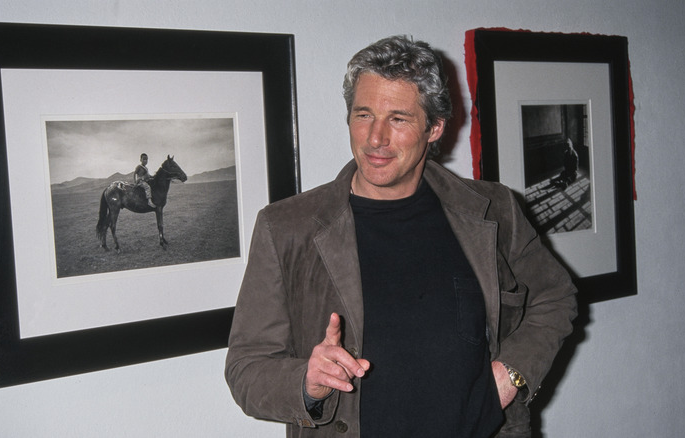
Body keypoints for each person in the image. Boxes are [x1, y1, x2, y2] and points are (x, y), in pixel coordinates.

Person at [225, 35, 577, 438]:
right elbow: (246, 368)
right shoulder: (286, 227)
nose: (376, 138)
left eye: (398, 119)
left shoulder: (493, 210)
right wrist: (307, 381)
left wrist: (510, 373)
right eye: (363, 115)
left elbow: (555, 295)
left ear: (435, 127)